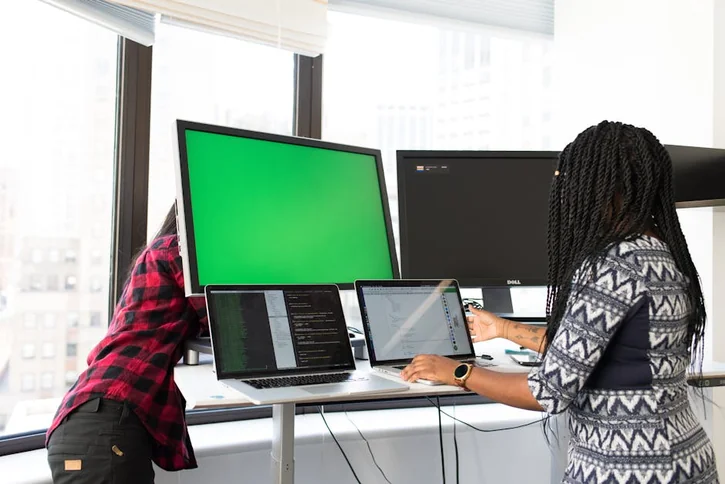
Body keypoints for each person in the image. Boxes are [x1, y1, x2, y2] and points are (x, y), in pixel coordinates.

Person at [401, 121, 719, 483]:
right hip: (686, 461)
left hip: (628, 468)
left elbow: (547, 392)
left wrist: (459, 372)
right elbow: (608, 352)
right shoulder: (664, 252)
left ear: (595, 187)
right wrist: (505, 329)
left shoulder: (611, 265)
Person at [46, 203, 207, 483]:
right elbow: (222, 320)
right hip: (103, 425)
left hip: (92, 422)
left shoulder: (157, 254)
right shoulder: (177, 248)